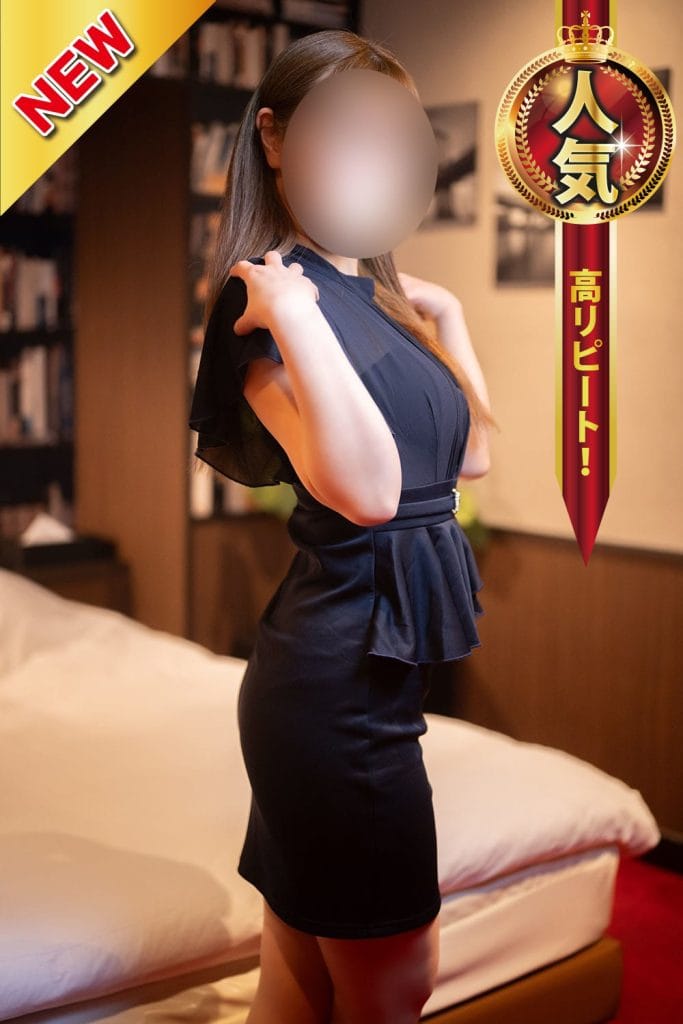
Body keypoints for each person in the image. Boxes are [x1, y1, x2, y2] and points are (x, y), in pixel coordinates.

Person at [189, 28, 497, 1024]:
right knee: (392, 978)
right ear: (276, 138)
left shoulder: (380, 299)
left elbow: (469, 459)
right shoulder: (262, 298)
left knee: (301, 975)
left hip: (369, 680)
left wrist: (447, 320)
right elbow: (365, 491)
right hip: (329, 692)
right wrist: (296, 314)